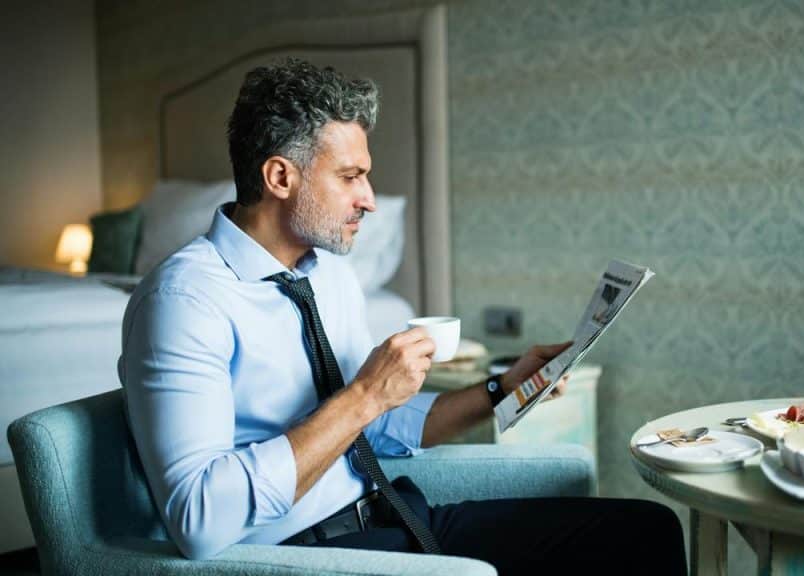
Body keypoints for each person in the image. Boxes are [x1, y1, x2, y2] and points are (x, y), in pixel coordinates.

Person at [119, 58, 685, 574]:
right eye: (349, 176)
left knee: (644, 530)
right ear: (280, 178)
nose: (368, 197)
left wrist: (500, 388)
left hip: (390, 516)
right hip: (297, 555)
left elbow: (376, 427)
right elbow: (197, 520)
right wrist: (363, 395)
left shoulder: (330, 276)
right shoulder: (184, 301)